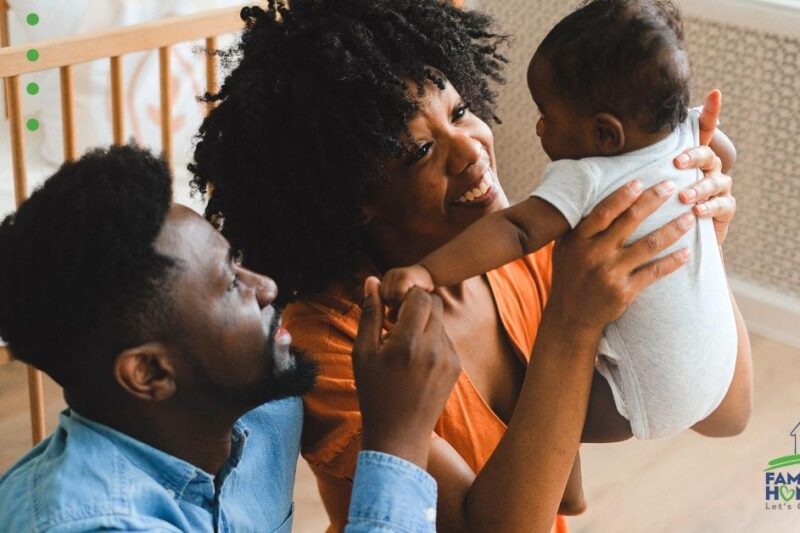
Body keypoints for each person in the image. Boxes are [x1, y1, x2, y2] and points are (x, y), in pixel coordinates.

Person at [189, 1, 750, 531]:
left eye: (460, 112)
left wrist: (699, 246)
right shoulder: (336, 343)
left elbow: (724, 416)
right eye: (419, 152)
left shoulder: (521, 259)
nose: (471, 149)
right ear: (351, 197)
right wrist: (572, 325)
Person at [0, 144, 462, 532]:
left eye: (237, 260)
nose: (266, 288)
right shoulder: (92, 523)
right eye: (230, 284)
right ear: (150, 372)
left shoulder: (264, 413)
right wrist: (397, 441)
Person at [380, 0, 746, 441]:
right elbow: (724, 152)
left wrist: (425, 272)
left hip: (640, 398)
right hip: (716, 363)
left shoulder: (589, 174)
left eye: (546, 116)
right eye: (421, 149)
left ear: (606, 135)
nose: (538, 129)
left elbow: (518, 230)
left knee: (532, 408)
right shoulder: (685, 133)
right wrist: (706, 175)